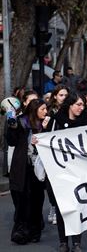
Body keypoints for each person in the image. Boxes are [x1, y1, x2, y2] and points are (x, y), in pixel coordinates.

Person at [43, 93, 87, 252]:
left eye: (83, 105)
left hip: (78, 172)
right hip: (59, 173)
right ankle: (63, 242)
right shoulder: (56, 120)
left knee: (77, 207)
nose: (81, 108)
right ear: (70, 105)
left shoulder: (85, 121)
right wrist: (38, 139)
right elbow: (45, 140)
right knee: (61, 207)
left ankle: (77, 242)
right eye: (78, 104)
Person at [7, 99, 48, 245]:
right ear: (34, 109)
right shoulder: (20, 122)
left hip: (38, 168)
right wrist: (11, 127)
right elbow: (11, 142)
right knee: (22, 200)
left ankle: (35, 231)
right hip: (22, 167)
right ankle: (21, 231)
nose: (45, 112)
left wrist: (44, 131)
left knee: (37, 200)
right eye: (42, 109)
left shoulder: (45, 124)